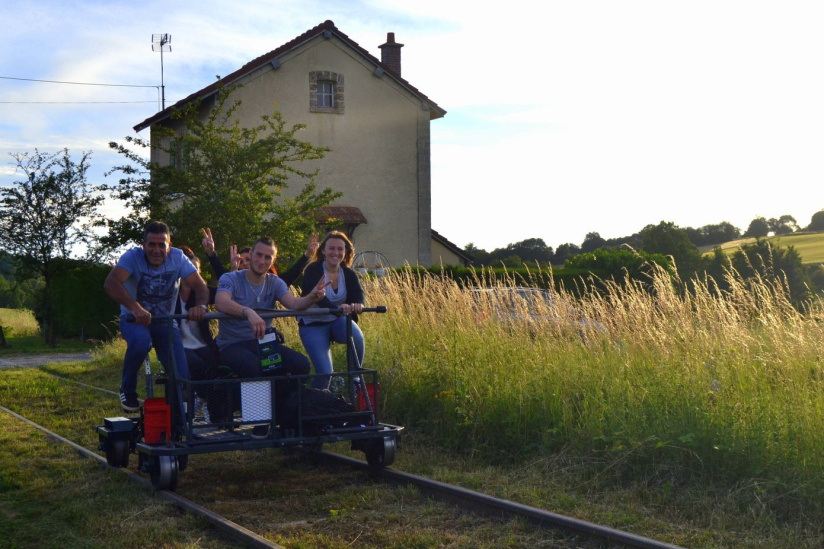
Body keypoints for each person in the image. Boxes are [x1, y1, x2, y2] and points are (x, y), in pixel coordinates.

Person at [214, 236, 330, 436]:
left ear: (273, 260)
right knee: (255, 367)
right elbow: (221, 302)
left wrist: (312, 297)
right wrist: (248, 312)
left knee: (301, 365)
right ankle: (259, 421)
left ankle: (285, 417)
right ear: (250, 255)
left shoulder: (274, 282)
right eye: (259, 255)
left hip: (262, 343)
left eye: (268, 257)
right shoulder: (230, 278)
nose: (262, 261)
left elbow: (294, 304)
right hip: (231, 344)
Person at [104, 221, 209, 412]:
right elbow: (111, 283)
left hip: (164, 322)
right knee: (141, 343)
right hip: (134, 320)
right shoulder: (132, 257)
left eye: (162, 245)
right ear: (143, 245)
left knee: (181, 374)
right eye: (152, 244)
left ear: (169, 246)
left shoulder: (178, 257)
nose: (156, 250)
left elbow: (200, 285)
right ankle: (127, 389)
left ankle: (179, 420)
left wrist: (200, 306)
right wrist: (135, 307)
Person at [297, 231, 365, 390]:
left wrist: (359, 304)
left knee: (356, 336)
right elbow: (319, 298)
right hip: (313, 323)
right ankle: (315, 399)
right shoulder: (313, 270)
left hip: (336, 320)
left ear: (345, 252)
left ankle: (355, 377)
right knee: (325, 373)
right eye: (331, 248)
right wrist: (337, 309)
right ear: (323, 251)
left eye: (340, 249)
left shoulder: (348, 273)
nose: (336, 253)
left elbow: (358, 293)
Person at [176, 246, 220, 421]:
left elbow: (226, 291)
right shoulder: (171, 292)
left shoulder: (203, 292)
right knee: (196, 364)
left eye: (196, 269)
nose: (192, 273)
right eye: (189, 268)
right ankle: (202, 399)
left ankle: (213, 407)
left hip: (201, 343)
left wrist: (214, 256)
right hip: (179, 343)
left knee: (217, 364)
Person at [201, 227, 317, 283]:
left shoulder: (271, 282)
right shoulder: (231, 279)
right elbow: (220, 272)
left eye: (248, 259)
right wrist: (211, 252)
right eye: (241, 261)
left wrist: (307, 255)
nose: (245, 264)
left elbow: (290, 276)